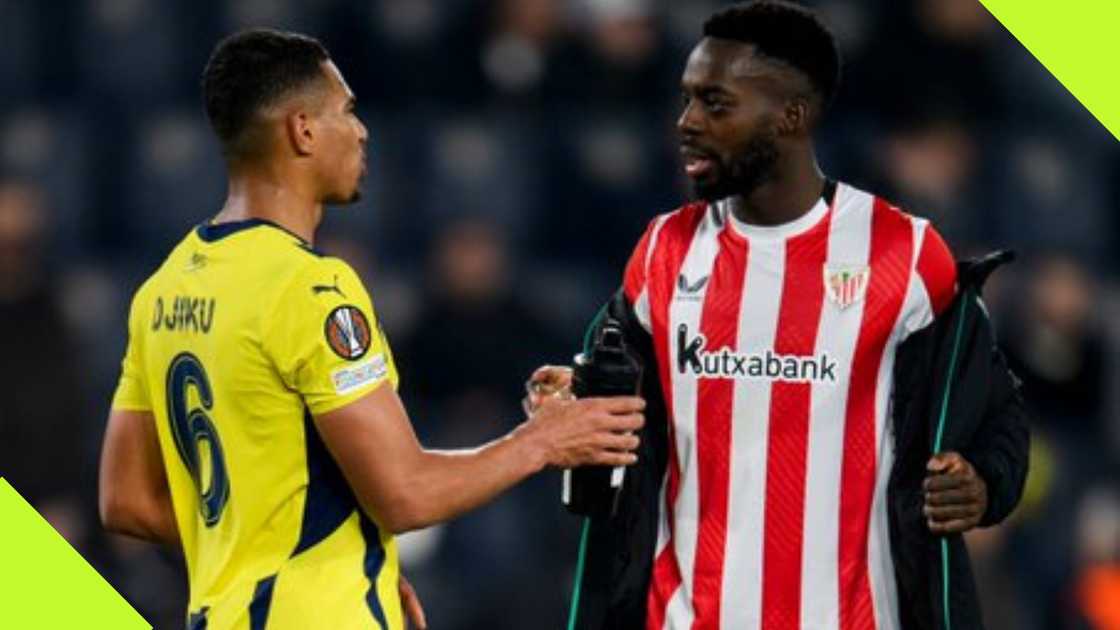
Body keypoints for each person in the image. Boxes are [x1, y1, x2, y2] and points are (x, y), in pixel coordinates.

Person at [97, 29, 645, 630]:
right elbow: (405, 493)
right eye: (348, 111)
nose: (361, 131)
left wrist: (349, 556)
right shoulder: (310, 288)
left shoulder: (164, 288)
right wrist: (540, 441)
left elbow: (126, 501)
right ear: (301, 130)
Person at [526, 2, 1030, 629]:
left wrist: (984, 482)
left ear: (792, 116)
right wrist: (572, 395)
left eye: (715, 104)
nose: (686, 123)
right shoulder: (663, 250)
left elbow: (995, 410)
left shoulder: (905, 253)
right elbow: (613, 399)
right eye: (685, 101)